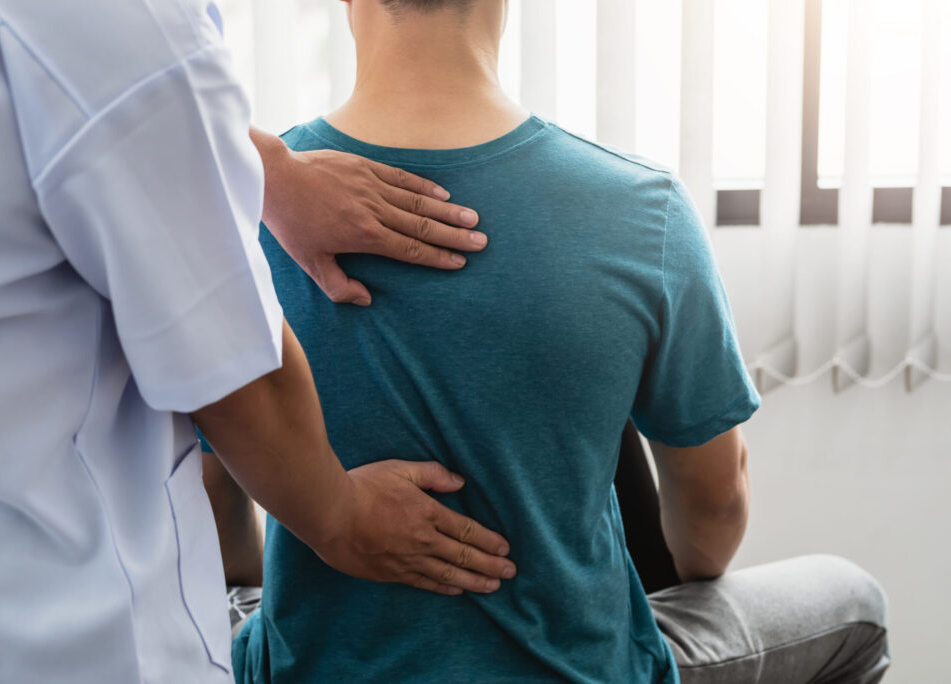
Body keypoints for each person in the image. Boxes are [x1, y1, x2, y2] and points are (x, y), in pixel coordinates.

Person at [216, 1, 891, 682]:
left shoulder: (237, 207)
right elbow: (713, 508)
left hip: (313, 668)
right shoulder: (642, 209)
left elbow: (221, 514)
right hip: (580, 668)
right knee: (856, 603)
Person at [0, 1, 520, 682]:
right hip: (67, 626)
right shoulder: (126, 25)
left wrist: (262, 162)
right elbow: (239, 378)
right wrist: (342, 516)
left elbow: (68, 100)